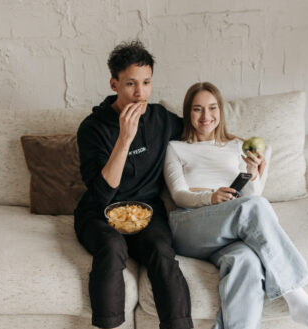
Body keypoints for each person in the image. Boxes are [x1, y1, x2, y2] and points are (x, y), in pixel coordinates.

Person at [163, 81, 308, 329]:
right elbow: (178, 194)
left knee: (246, 261)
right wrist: (210, 197)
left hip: (231, 227)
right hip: (190, 225)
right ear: (188, 113)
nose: (206, 116)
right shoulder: (176, 148)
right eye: (197, 109)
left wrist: (252, 171)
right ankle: (300, 301)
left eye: (212, 108)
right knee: (252, 208)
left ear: (221, 111)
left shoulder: (237, 146)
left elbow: (251, 197)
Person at [74, 40, 193, 329]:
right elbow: (102, 193)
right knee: (112, 247)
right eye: (130, 84)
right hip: (99, 212)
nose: (140, 93)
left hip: (146, 212)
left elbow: (201, 132)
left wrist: (245, 150)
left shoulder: (160, 119)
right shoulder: (92, 128)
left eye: (146, 82)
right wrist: (125, 138)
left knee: (162, 252)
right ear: (114, 83)